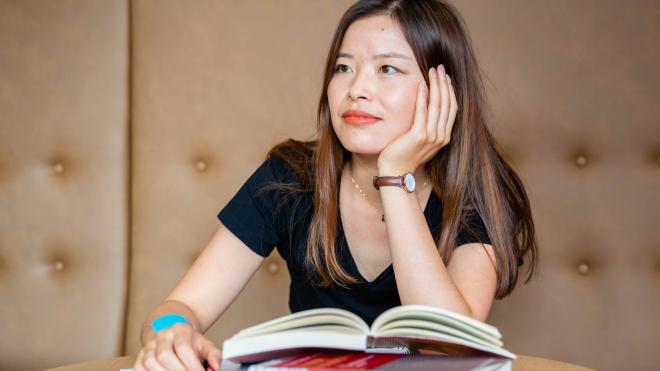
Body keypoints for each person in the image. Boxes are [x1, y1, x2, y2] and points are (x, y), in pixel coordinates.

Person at [133, 0, 538, 370]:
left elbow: (448, 345)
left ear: (444, 92)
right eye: (343, 68)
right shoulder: (289, 176)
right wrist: (171, 330)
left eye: (387, 69)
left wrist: (394, 175)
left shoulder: (480, 191)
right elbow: (179, 306)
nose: (355, 90)